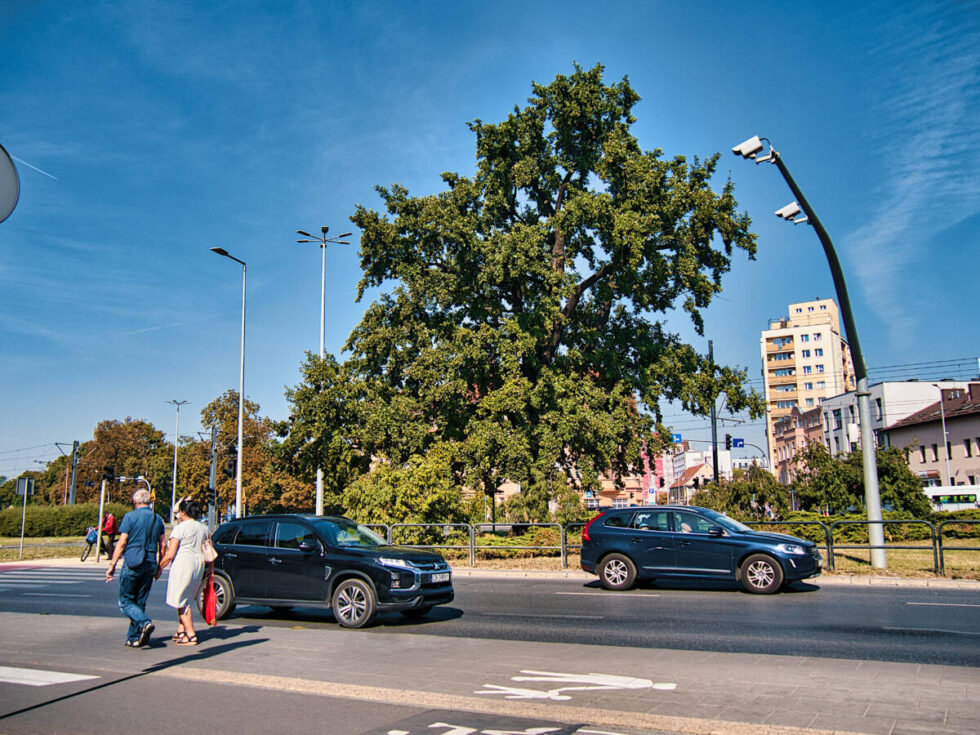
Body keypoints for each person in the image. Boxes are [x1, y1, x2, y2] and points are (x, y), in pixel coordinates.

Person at [105, 489, 166, 648]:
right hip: (150, 562)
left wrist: (112, 565)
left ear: (134, 502)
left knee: (125, 601)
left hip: (133, 561)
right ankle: (133, 637)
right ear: (149, 502)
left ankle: (145, 623)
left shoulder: (130, 517)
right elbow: (163, 545)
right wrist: (160, 566)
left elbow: (122, 542)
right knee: (140, 601)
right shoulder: (157, 518)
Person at [156, 497, 210, 645]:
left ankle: (191, 635)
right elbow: (208, 548)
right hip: (198, 564)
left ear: (183, 513)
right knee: (185, 597)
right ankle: (181, 631)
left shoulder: (179, 528)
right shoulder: (203, 528)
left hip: (183, 564)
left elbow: (170, 554)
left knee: (180, 601)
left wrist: (158, 568)